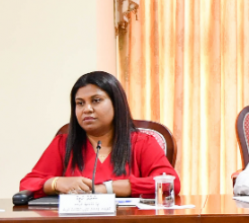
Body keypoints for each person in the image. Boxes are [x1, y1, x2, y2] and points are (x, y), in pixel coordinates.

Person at [19, 71, 178, 197]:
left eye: (96, 100)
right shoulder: (64, 144)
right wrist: (57, 183)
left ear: (116, 104)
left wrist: (107, 188)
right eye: (80, 103)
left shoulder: (142, 142)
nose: (87, 109)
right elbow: (27, 184)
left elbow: (170, 183)